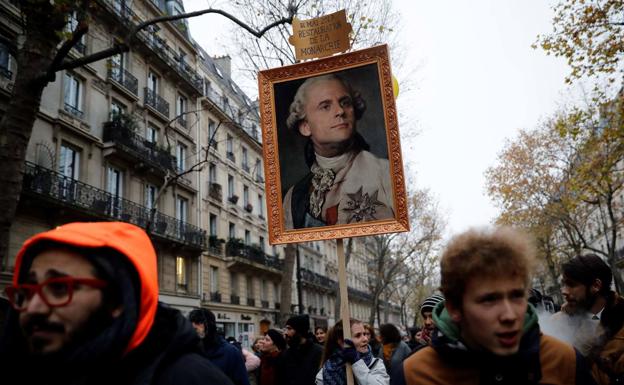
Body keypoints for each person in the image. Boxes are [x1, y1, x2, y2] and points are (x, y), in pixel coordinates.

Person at [0, 221, 232, 385]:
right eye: (28, 291)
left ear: (117, 300)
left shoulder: (190, 377)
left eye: (60, 288)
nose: (33, 308)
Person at [393, 227, 596, 385]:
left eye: (517, 295)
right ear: (455, 308)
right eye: (489, 300)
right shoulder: (414, 374)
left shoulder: (564, 360)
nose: (509, 315)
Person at [282, 73, 395, 229]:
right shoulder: (293, 197)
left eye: (345, 103)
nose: (340, 111)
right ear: (305, 126)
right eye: (325, 106)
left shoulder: (386, 173)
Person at [549, 254, 624, 384]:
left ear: (595, 286)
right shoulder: (556, 322)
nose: (564, 291)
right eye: (564, 284)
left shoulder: (621, 326)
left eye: (571, 284)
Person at [316, 319, 389, 385]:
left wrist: (357, 363)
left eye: (364, 334)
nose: (365, 339)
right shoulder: (325, 373)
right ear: (341, 342)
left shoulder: (376, 364)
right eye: (358, 335)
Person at [189, 308, 250, 385]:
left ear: (210, 324)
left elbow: (242, 382)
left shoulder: (231, 352)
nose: (194, 326)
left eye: (199, 322)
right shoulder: (190, 352)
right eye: (192, 323)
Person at [277, 314, 323, 385]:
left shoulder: (319, 352)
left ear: (300, 331)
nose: (285, 332)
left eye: (289, 329)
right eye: (286, 329)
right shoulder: (285, 354)